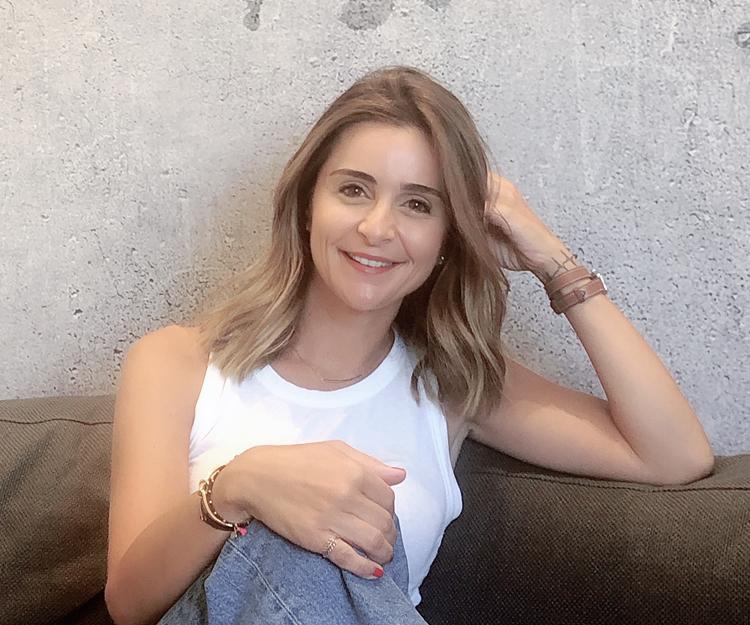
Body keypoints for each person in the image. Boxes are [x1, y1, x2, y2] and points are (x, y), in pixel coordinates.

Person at [103, 65, 715, 625]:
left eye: (418, 205)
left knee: (336, 542)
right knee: (295, 543)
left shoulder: (452, 385)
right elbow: (130, 605)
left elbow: (673, 455)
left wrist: (553, 261)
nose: (377, 228)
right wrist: (240, 487)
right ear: (307, 205)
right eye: (353, 190)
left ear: (449, 237)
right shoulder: (178, 363)